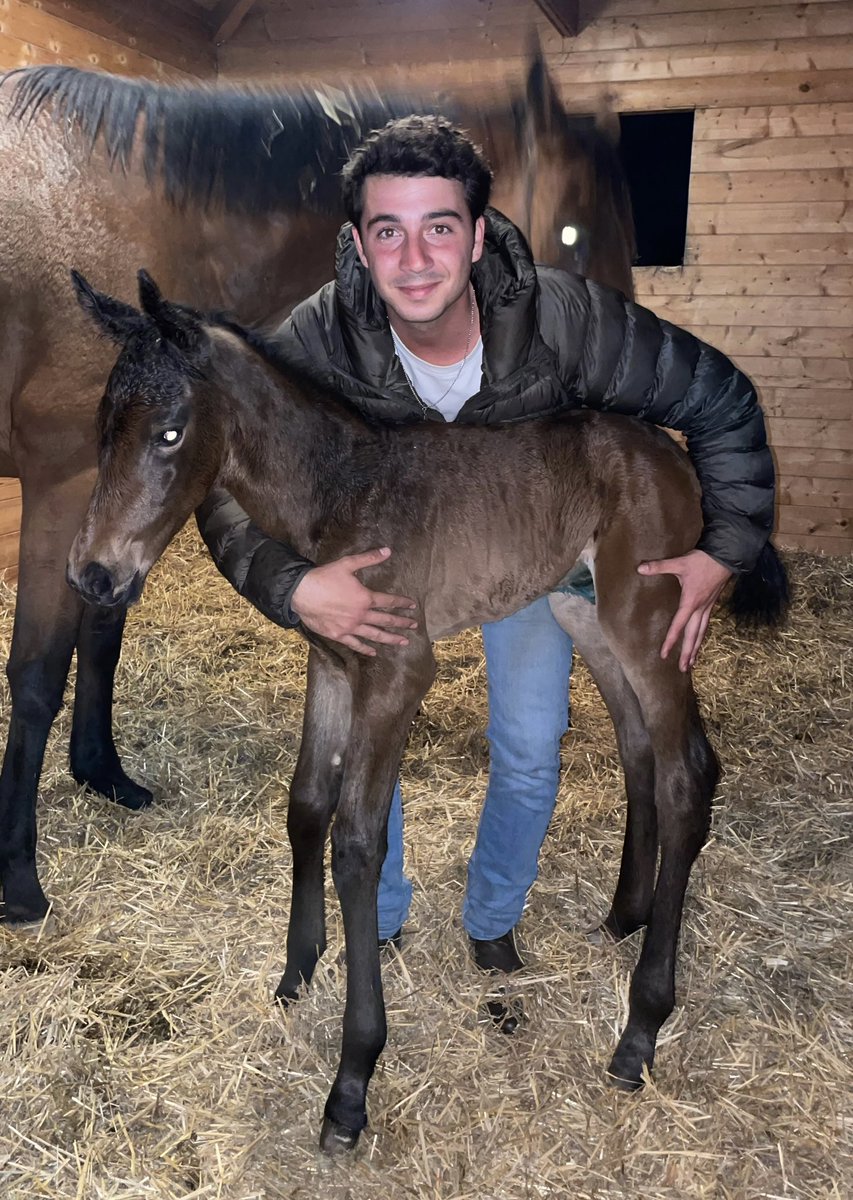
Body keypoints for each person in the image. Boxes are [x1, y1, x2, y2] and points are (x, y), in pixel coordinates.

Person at [197, 115, 774, 986]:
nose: (415, 257)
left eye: (439, 227)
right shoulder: (316, 335)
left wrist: (723, 551)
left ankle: (493, 918)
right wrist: (291, 586)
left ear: (476, 236)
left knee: (531, 739)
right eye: (387, 231)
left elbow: (719, 400)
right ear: (357, 244)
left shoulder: (563, 315)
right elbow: (216, 462)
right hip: (400, 545)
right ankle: (380, 917)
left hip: (535, 530)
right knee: (359, 728)